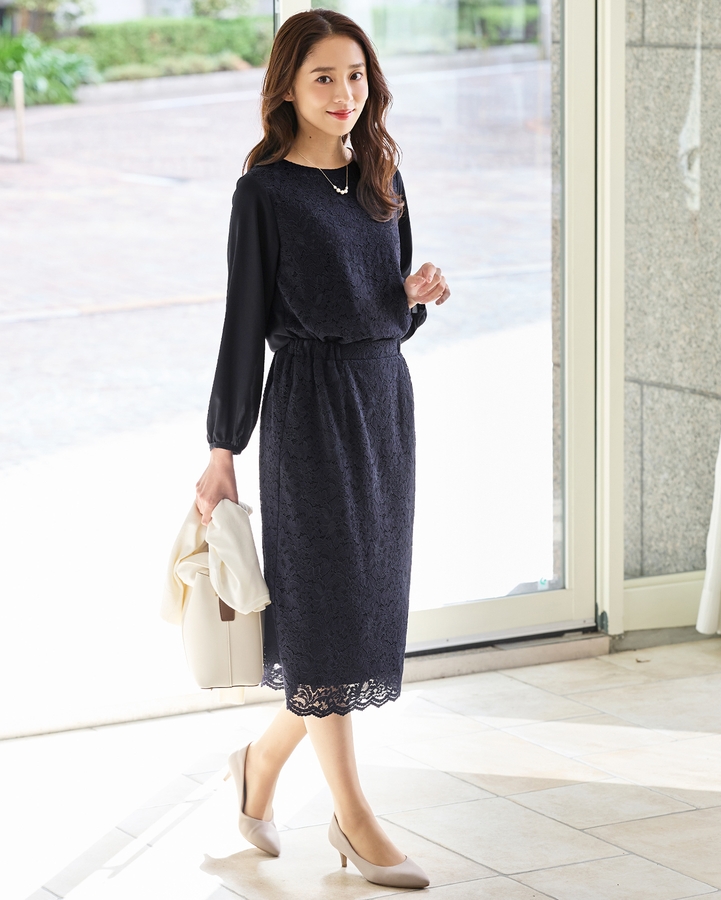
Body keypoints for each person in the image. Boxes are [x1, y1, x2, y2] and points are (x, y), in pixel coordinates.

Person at [194, 8, 450, 890]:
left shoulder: (382, 173)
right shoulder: (263, 194)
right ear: (288, 89)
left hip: (383, 408)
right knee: (327, 612)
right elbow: (243, 327)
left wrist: (414, 298)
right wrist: (223, 447)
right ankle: (354, 818)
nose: (345, 94)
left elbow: (386, 312)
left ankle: (257, 767)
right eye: (324, 78)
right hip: (308, 416)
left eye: (356, 76)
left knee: (356, 617)